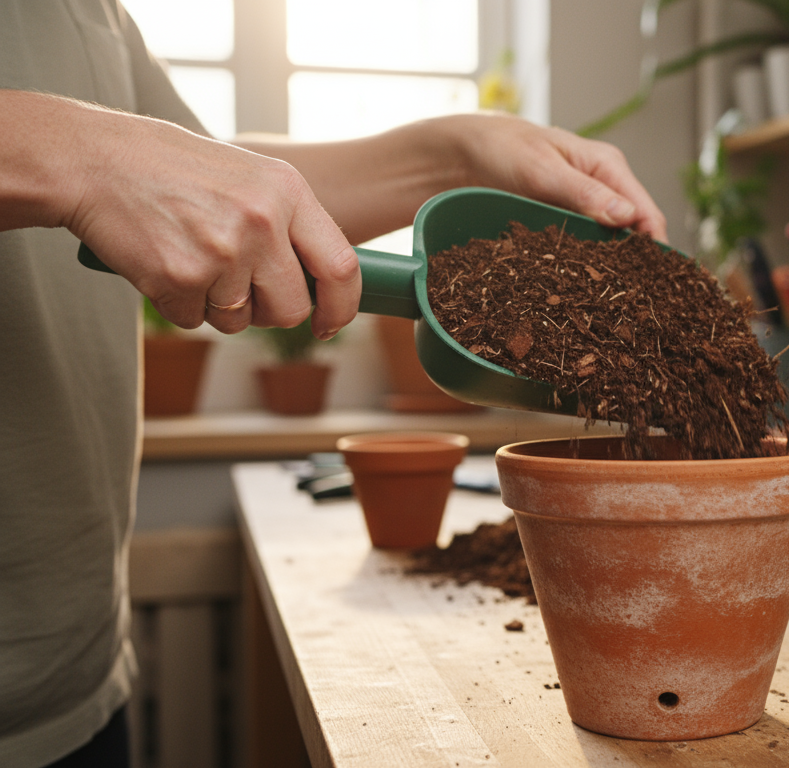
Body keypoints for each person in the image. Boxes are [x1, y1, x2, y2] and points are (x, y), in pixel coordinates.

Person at [0, 3, 667, 767]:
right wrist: (79, 154)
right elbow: (110, 162)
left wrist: (453, 154)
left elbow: (222, 190)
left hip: (77, 689)